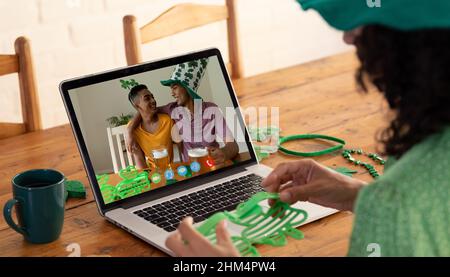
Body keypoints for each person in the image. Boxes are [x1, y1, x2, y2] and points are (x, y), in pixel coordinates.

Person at [165, 0, 450, 257]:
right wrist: (359, 197)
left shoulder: (400, 206)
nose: (348, 36)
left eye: (361, 22)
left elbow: (409, 213)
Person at [127, 58, 239, 167]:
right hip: (191, 170)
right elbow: (146, 111)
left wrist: (224, 153)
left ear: (187, 88)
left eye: (175, 88)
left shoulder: (212, 110)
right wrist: (129, 130)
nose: (172, 93)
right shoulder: (172, 109)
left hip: (213, 165)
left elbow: (233, 145)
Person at [127, 84, 181, 169]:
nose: (153, 100)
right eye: (147, 98)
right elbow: (140, 161)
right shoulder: (133, 129)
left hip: (170, 170)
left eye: (153, 97)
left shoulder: (167, 120)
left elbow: (181, 147)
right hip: (151, 173)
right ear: (136, 105)